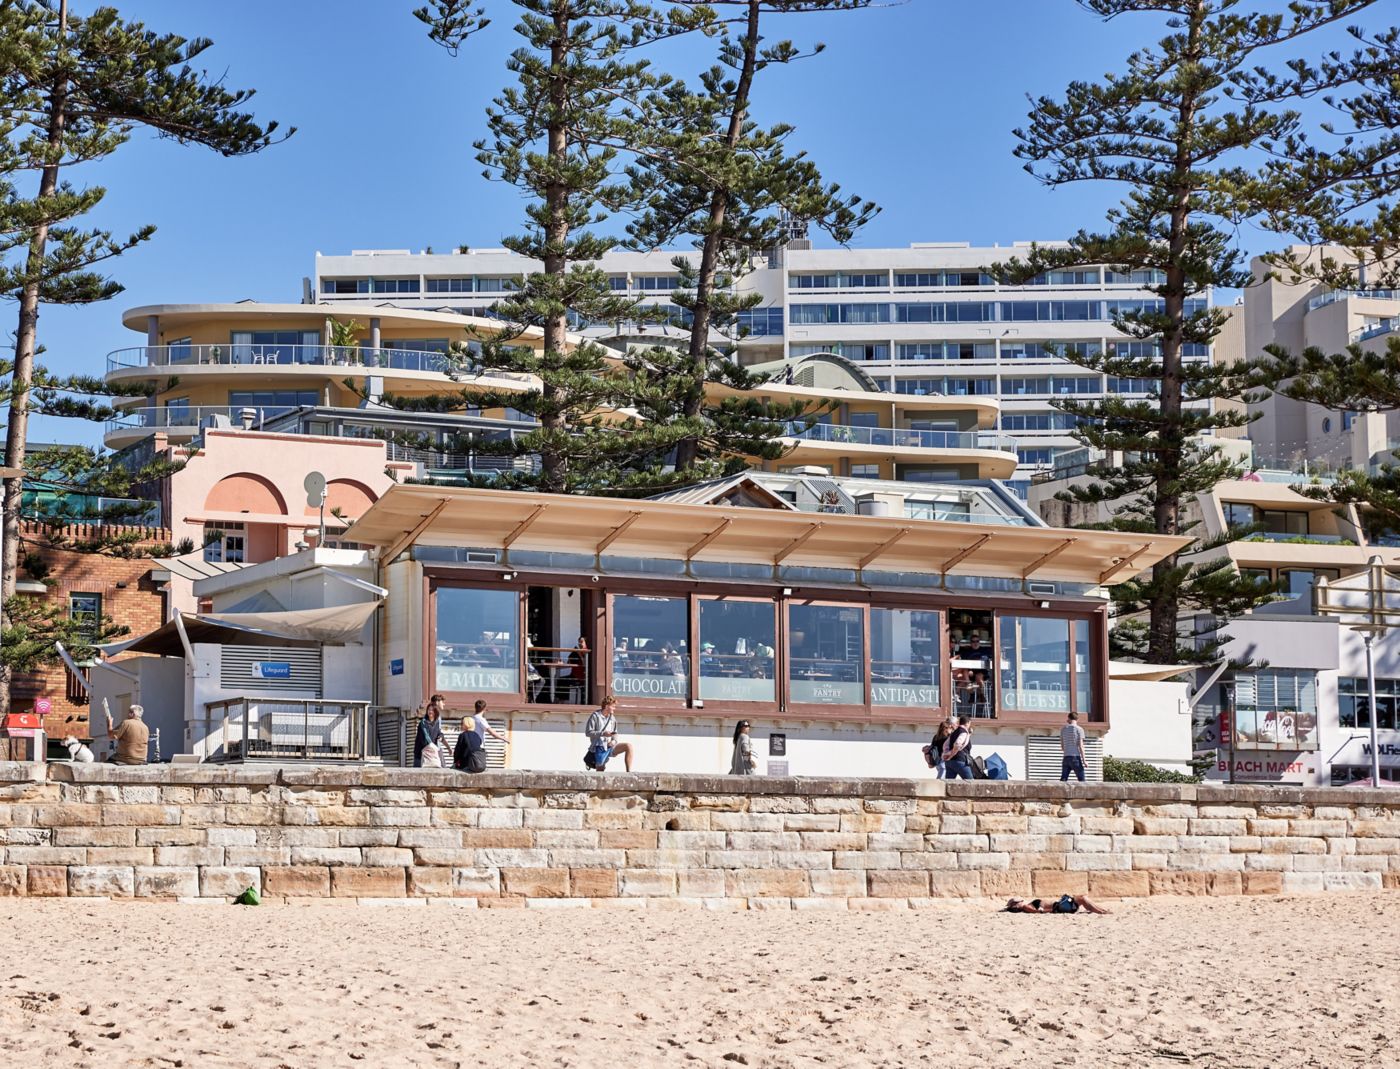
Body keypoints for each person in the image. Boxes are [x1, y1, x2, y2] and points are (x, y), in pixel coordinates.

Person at [455, 699, 508, 773]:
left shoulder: (472, 718)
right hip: (479, 748)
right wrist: (503, 738)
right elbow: (492, 733)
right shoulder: (481, 720)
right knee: (478, 766)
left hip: (469, 748)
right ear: (484, 709)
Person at [584, 694, 634, 772]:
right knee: (600, 769)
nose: (615, 708)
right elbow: (588, 732)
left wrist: (614, 741)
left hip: (610, 746)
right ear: (607, 706)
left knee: (628, 746)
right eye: (613, 706)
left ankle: (629, 773)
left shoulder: (612, 718)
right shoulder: (595, 716)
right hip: (598, 747)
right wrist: (603, 733)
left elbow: (615, 733)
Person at [414, 695, 446, 768]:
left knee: (441, 768)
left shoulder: (437, 721)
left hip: (433, 750)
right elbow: (426, 736)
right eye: (429, 710)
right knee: (418, 771)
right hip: (422, 751)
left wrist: (441, 736)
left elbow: (439, 732)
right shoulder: (424, 722)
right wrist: (433, 746)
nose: (430, 712)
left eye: (432, 710)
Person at [1003, 895, 1110, 915]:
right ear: (1016, 904)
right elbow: (1038, 911)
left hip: (1059, 906)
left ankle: (1102, 910)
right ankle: (1101, 911)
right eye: (1019, 901)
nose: (1021, 901)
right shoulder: (1026, 907)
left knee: (1083, 898)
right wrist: (1053, 910)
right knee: (1082, 899)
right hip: (1059, 906)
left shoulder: (1027, 906)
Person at [942, 715, 974, 779]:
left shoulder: (954, 732)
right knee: (971, 782)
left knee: (949, 784)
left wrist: (947, 755)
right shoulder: (964, 732)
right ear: (967, 723)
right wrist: (952, 755)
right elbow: (957, 744)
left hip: (949, 762)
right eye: (969, 723)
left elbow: (945, 744)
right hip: (960, 760)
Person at [1060, 710, 1087, 782]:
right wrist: (1084, 761)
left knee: (1063, 780)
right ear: (1077, 719)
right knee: (1082, 780)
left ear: (1069, 718)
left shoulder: (1063, 729)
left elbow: (1062, 746)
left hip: (1066, 757)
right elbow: (1081, 746)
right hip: (1075, 757)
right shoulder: (1079, 729)